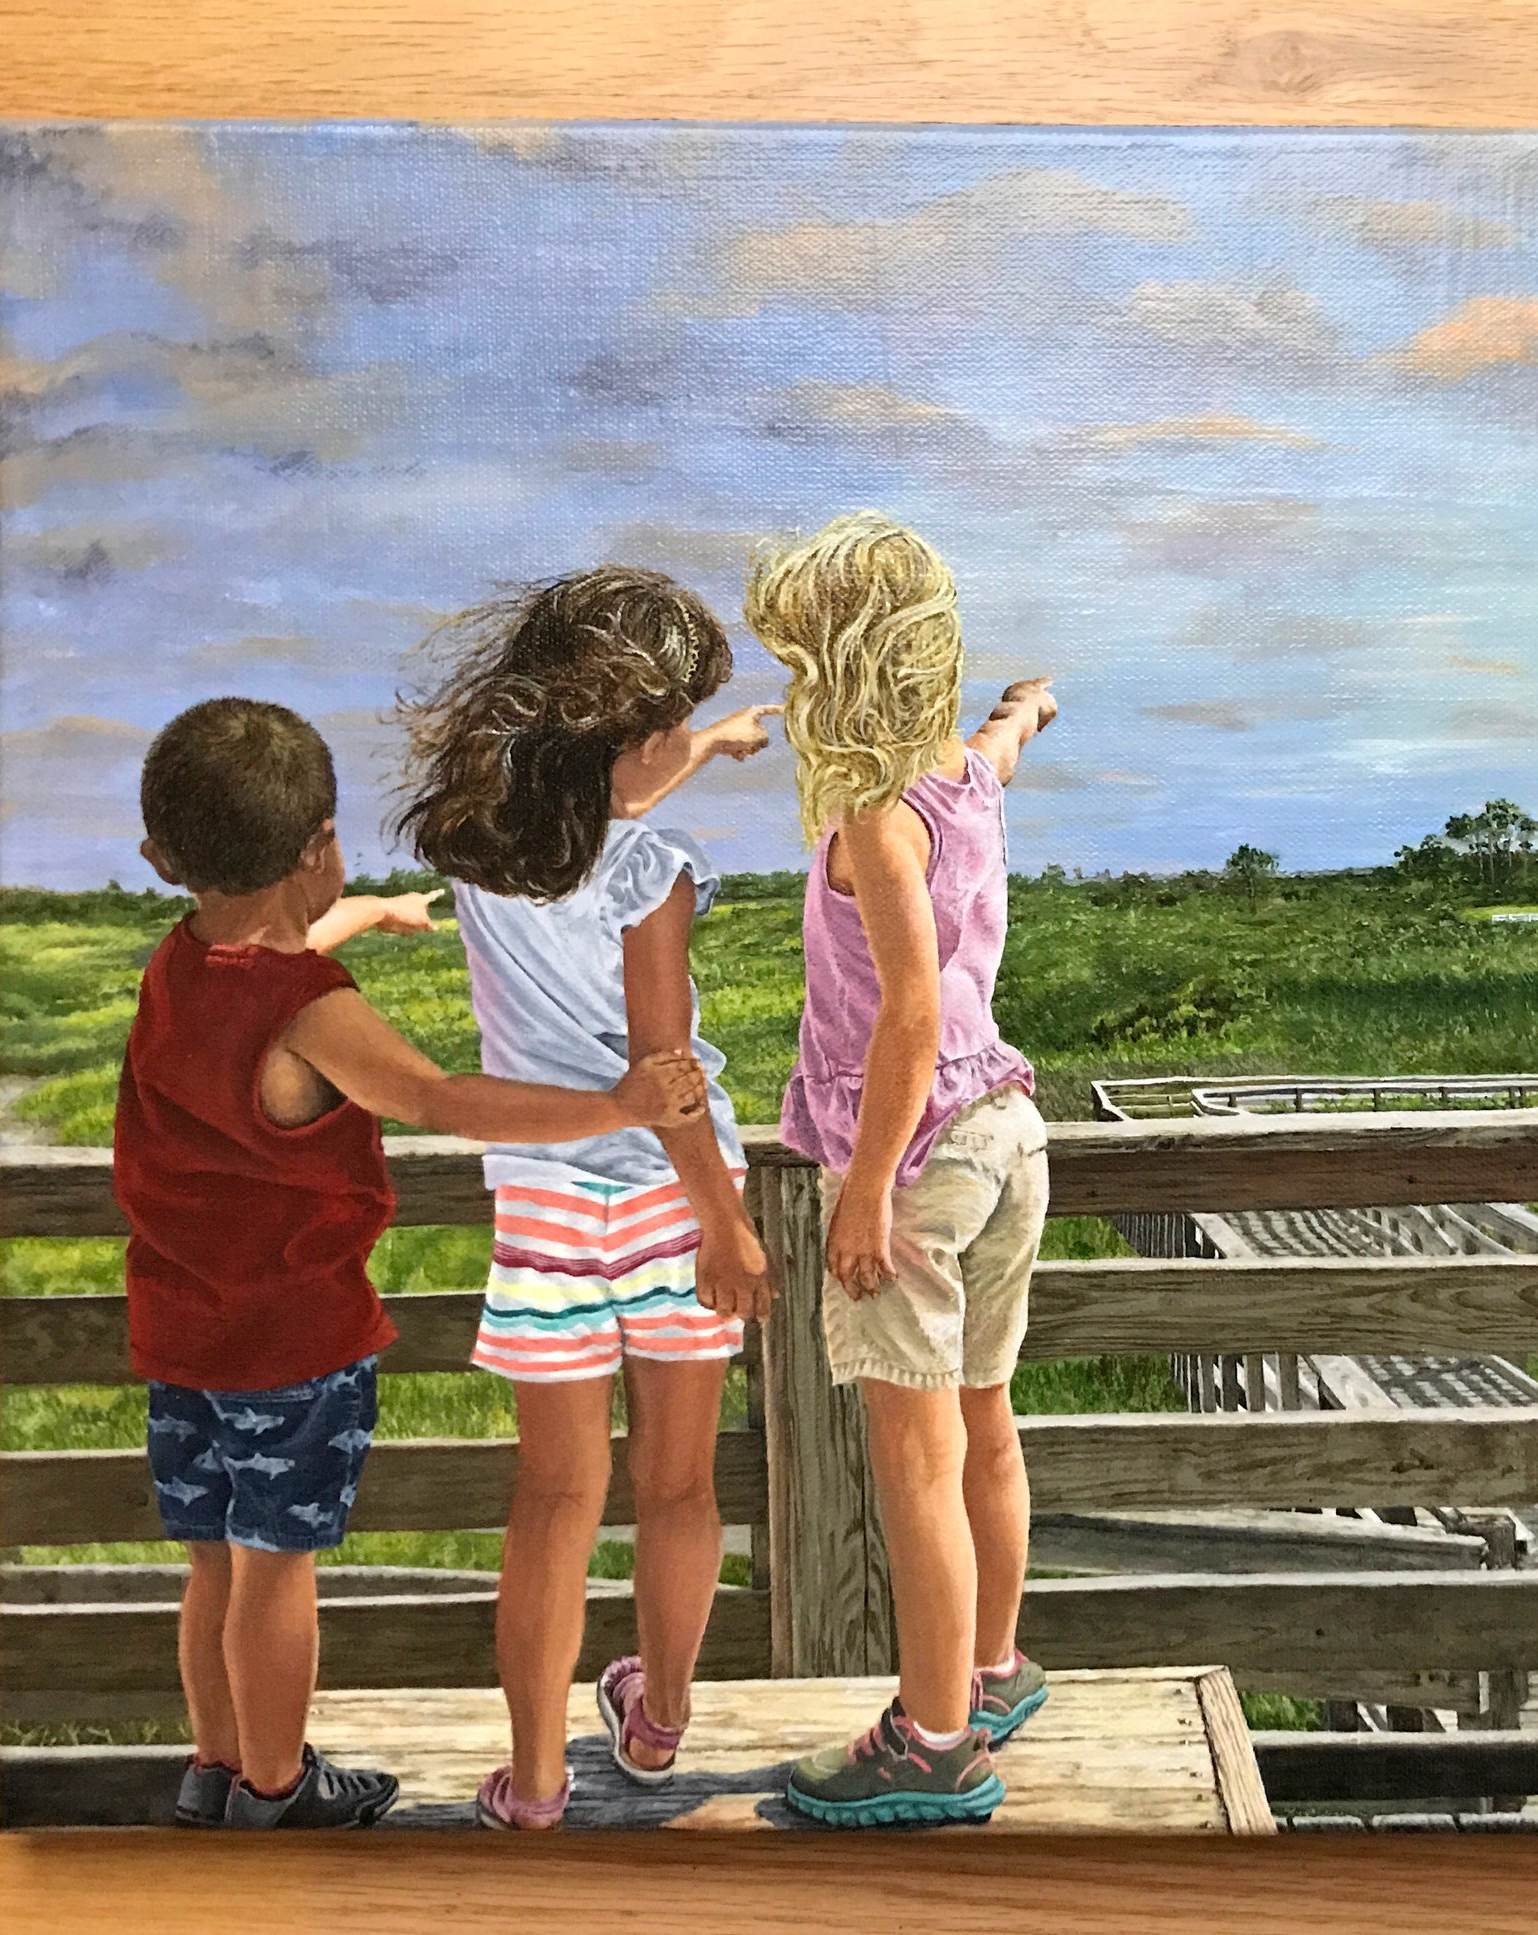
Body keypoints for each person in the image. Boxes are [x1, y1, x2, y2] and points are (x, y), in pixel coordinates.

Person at [117, 698, 707, 1831]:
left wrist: (358, 916)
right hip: (287, 1346)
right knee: (275, 1566)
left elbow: (255, 949)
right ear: (320, 845)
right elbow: (439, 1096)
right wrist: (612, 1102)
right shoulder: (312, 1012)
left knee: (212, 1567)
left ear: (162, 862)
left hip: (181, 1335)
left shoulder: (178, 964)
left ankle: (215, 1767)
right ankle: (279, 1791)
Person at [395, 568, 781, 1831]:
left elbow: (592, 812)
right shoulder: (653, 870)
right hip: (672, 1201)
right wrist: (727, 1225)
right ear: (632, 731)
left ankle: (540, 1781)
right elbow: (664, 1076)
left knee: (554, 1500)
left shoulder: (481, 844)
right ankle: (658, 1720)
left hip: (548, 1207)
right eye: (679, 717)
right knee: (676, 1486)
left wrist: (703, 748)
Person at [747, 513, 1057, 1827]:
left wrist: (865, 1185)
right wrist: (1027, 707)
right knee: (984, 1418)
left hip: (922, 1158)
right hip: (1007, 1131)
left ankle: (934, 1739)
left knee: (917, 1463)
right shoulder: (965, 778)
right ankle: (988, 1666)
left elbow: (908, 1016)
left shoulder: (876, 822)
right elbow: (1009, 735)